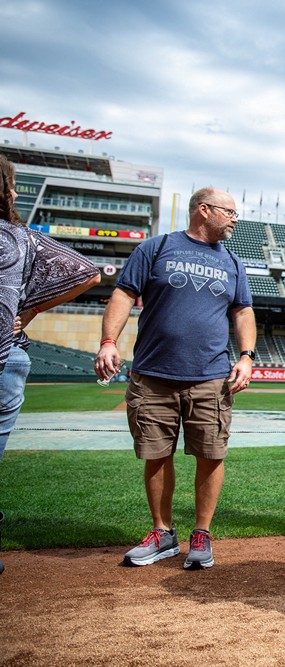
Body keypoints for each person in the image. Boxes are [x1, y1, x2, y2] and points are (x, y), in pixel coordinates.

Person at [95, 187, 256, 570]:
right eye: (230, 212)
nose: (235, 219)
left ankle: (201, 534)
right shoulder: (156, 247)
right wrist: (108, 342)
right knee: (156, 453)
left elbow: (243, 312)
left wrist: (247, 357)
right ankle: (162, 533)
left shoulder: (233, 262)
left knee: (211, 453)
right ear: (204, 210)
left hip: (210, 376)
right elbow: (122, 294)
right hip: (153, 374)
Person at [0, 154, 100, 575]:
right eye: (12, 184)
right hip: (7, 351)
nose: (17, 191)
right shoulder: (20, 237)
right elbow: (88, 272)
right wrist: (29, 310)